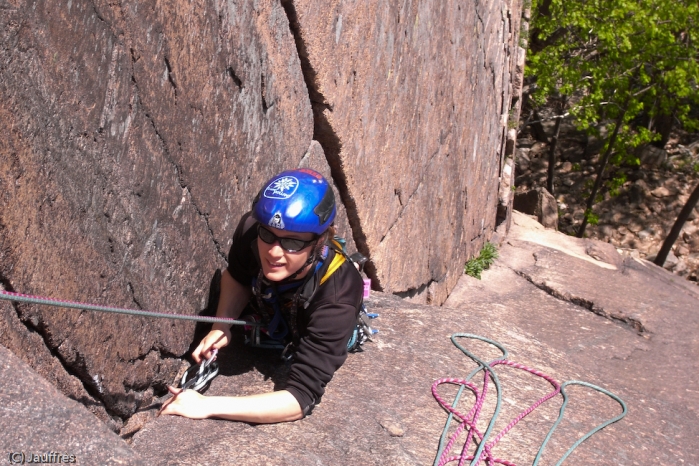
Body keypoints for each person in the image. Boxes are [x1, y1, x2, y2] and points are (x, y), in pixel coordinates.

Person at [160, 168, 364, 423]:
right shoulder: (252, 230)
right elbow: (237, 277)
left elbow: (299, 399)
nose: (274, 252)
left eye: (292, 242)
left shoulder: (337, 298)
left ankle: (352, 268)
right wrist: (222, 325)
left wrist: (205, 405)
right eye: (268, 235)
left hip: (314, 316)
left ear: (319, 241)